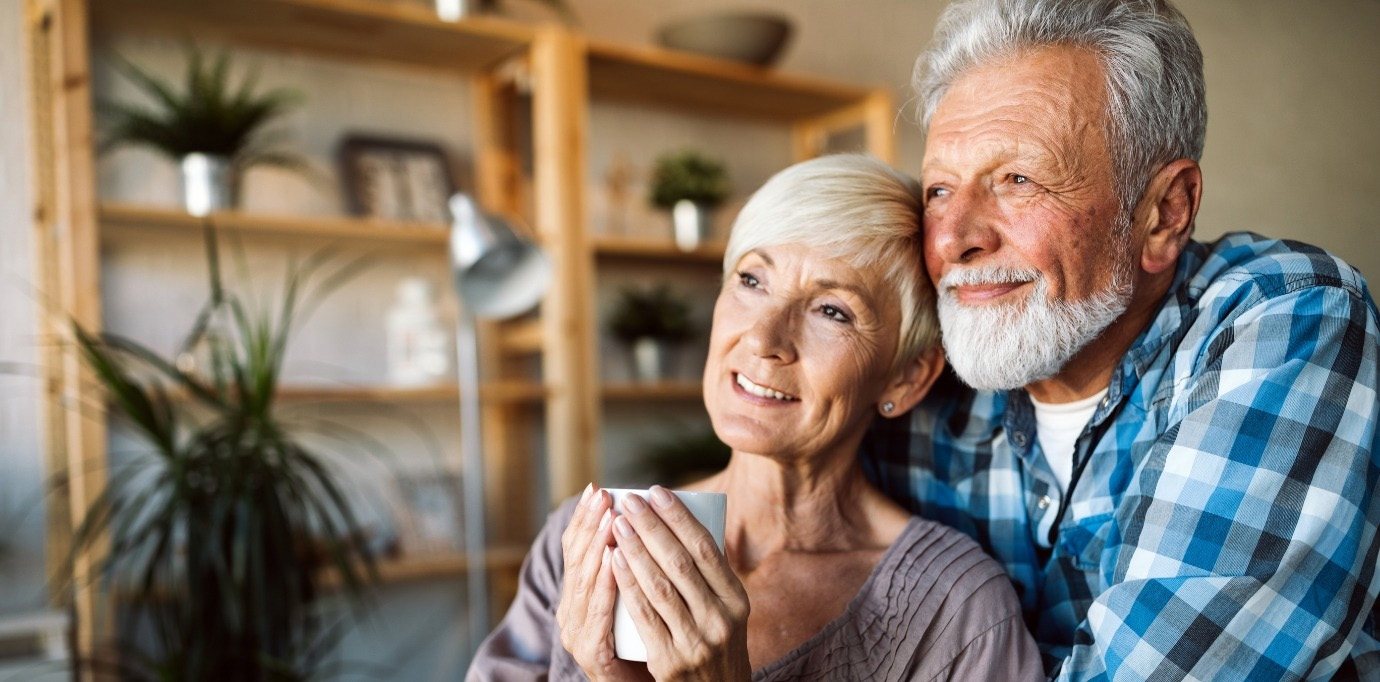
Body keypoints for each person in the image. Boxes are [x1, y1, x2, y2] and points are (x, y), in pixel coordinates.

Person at [861, 0, 1380, 679]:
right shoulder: (922, 369)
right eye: (938, 190)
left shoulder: (1287, 318)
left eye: (1017, 179)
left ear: (1164, 213)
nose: (956, 239)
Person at [469, 154, 1043, 680]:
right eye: (751, 280)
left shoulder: (957, 610)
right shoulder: (585, 539)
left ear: (905, 376)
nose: (764, 339)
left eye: (831, 311)